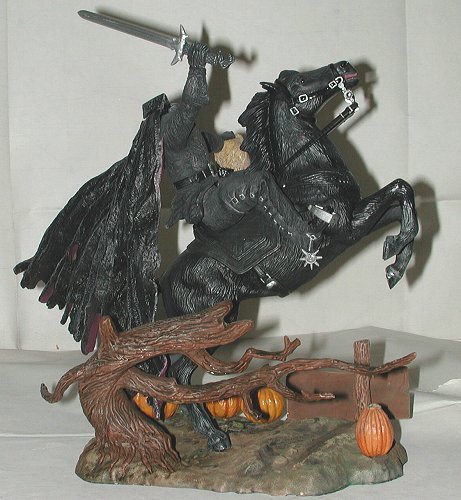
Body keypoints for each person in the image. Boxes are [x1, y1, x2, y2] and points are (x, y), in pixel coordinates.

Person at [160, 42, 312, 243]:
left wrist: (226, 142)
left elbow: (212, 142)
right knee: (259, 183)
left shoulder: (189, 138)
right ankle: (305, 238)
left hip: (215, 186)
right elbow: (190, 106)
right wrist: (196, 68)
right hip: (204, 202)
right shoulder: (171, 134)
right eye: (170, 110)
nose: (174, 109)